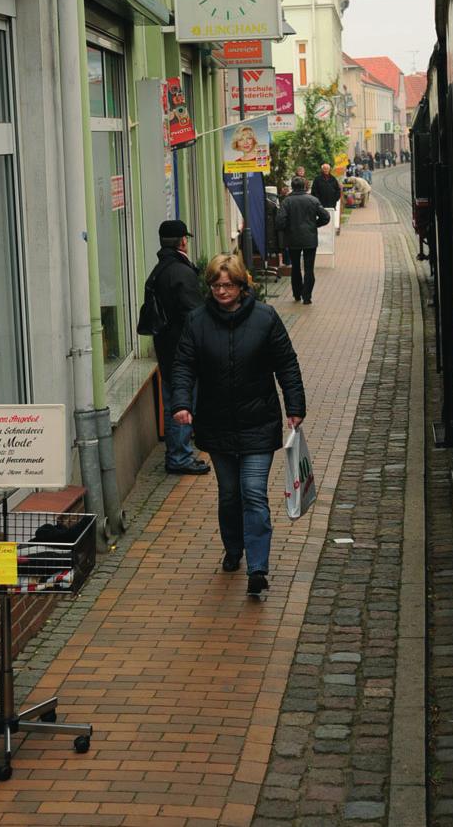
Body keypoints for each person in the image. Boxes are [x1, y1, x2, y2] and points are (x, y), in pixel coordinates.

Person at [171, 254, 305, 595]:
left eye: (228, 285)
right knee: (229, 495)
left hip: (258, 422)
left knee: (254, 494)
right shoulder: (196, 321)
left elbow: (286, 364)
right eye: (216, 285)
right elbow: (184, 365)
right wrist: (182, 403)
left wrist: (295, 406)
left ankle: (258, 568)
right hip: (216, 424)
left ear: (243, 286)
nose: (221, 291)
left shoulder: (266, 318)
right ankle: (233, 547)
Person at [150, 220, 210, 475]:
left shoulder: (160, 269)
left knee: (174, 401)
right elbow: (194, 314)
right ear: (182, 241)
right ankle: (179, 457)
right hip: (180, 350)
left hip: (167, 347)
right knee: (182, 403)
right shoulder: (179, 271)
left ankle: (177, 454)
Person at [276, 175, 331, 305]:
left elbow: (279, 222)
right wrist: (314, 225)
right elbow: (326, 217)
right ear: (305, 186)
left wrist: (288, 228)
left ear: (292, 187)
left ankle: (296, 294)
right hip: (309, 239)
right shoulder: (313, 200)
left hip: (293, 239)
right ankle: (307, 297)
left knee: (295, 267)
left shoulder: (286, 201)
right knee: (309, 268)